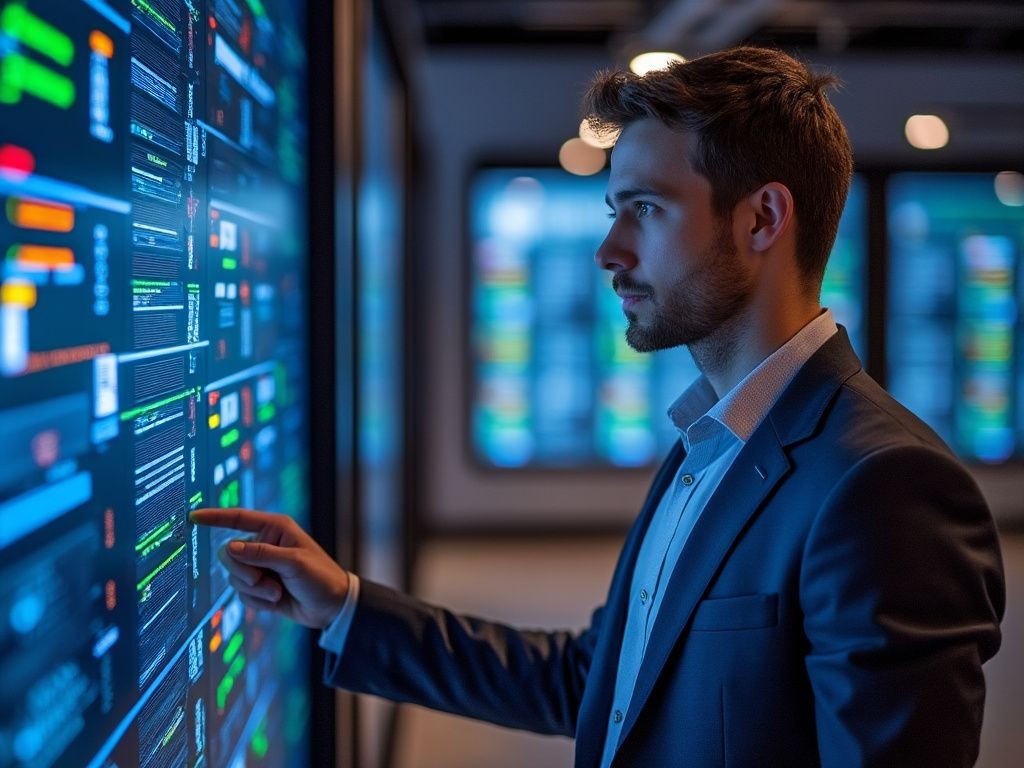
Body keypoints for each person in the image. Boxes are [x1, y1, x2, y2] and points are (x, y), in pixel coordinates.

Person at [191, 46, 1005, 767]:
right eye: (613, 211)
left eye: (646, 209)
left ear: (764, 219)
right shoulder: (708, 443)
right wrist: (345, 604)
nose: (609, 252)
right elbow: (602, 679)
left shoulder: (884, 486)